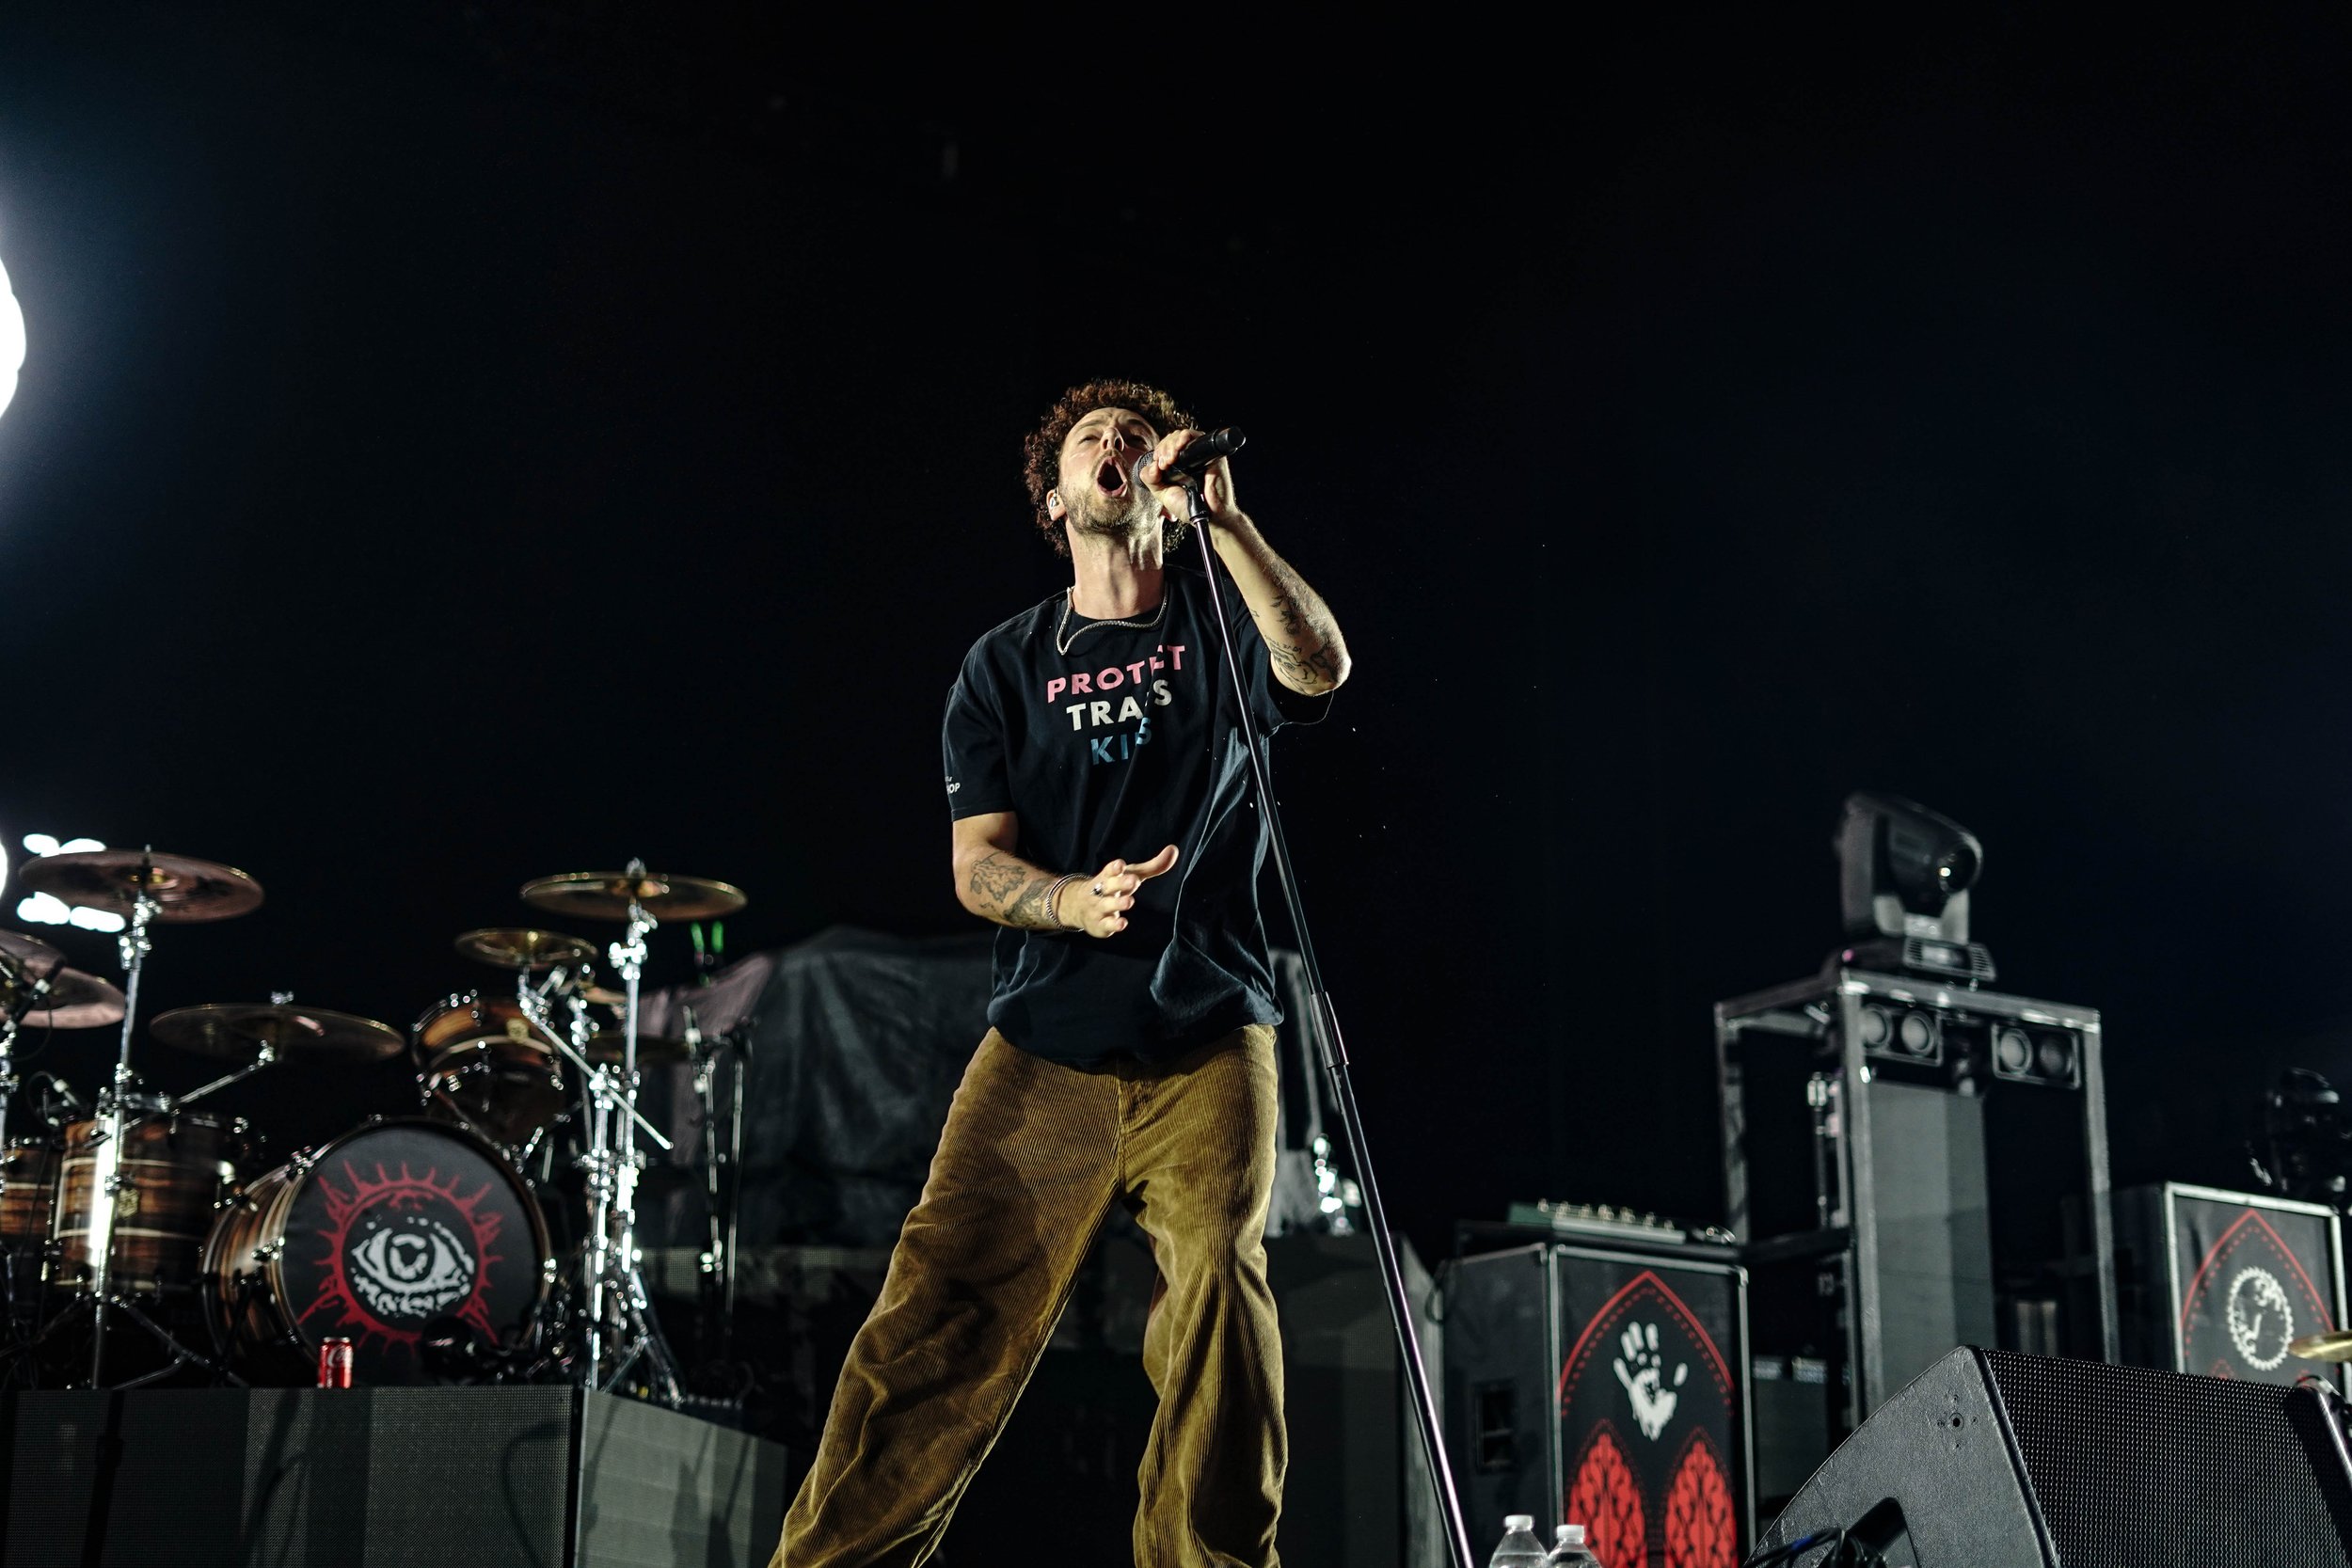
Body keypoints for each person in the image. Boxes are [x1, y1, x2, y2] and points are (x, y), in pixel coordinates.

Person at [770, 377, 1351, 1568]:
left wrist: (1228, 522)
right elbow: (975, 866)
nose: (1120, 446)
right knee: (939, 1309)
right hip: (1044, 1042)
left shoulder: (1218, 616)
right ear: (1054, 492)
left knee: (1216, 1305)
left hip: (1209, 1026)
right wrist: (1067, 901)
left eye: (1138, 436)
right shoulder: (1001, 665)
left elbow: (1319, 666)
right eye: (1095, 437)